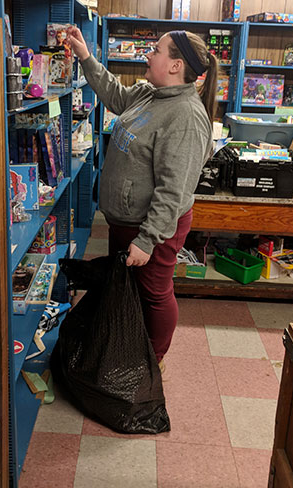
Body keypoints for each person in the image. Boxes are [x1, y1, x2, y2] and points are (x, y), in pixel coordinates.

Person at [66, 26, 217, 365]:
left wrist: (147, 240)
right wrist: (85, 57)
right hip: (127, 221)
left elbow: (174, 190)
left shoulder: (186, 117)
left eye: (157, 50)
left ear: (176, 65)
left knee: (154, 294)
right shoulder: (151, 94)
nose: (148, 54)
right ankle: (130, 348)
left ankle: (152, 360)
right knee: (128, 289)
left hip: (152, 228)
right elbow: (116, 96)